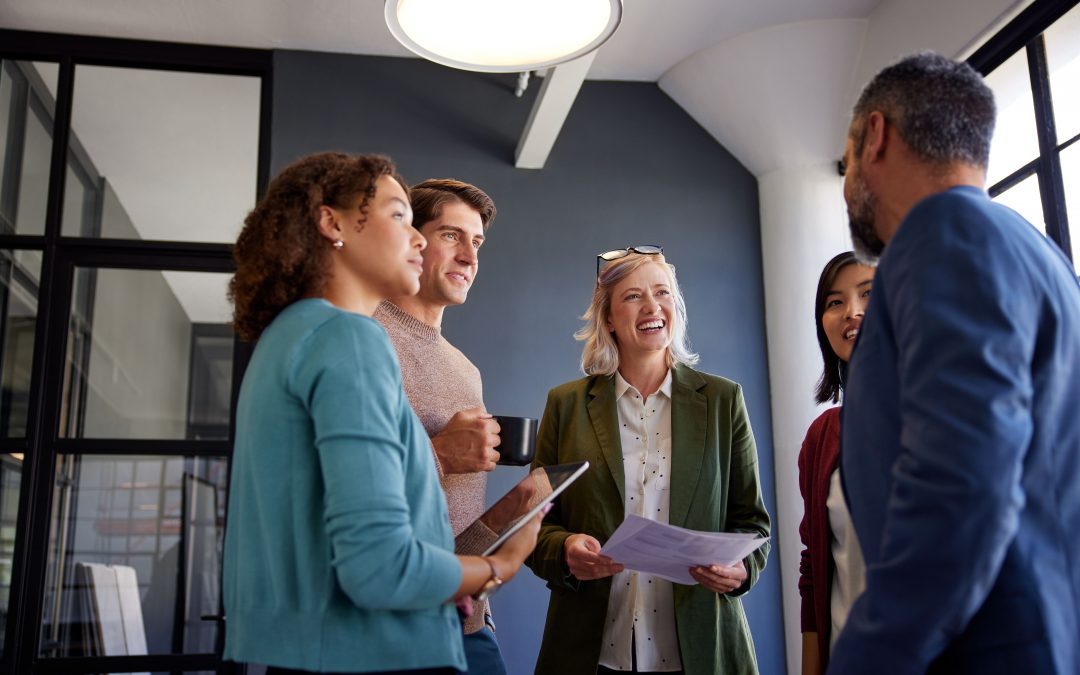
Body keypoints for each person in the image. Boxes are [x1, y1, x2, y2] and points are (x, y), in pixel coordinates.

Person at [222, 153, 540, 674]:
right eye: (400, 217)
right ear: (333, 223)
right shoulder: (350, 337)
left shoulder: (293, 334)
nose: (415, 238)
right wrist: (498, 567)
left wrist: (500, 523)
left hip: (313, 646)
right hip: (373, 647)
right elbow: (379, 568)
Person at [830, 52, 1080, 674]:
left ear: (876, 136)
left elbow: (962, 478)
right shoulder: (1039, 255)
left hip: (983, 649)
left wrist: (869, 656)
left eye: (846, 155)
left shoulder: (943, 233)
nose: (843, 181)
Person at [526, 247, 771, 675]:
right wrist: (564, 550)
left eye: (662, 293)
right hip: (591, 652)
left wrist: (741, 571)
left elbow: (753, 523)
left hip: (700, 650)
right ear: (608, 319)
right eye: (633, 296)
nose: (652, 306)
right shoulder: (565, 405)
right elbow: (532, 524)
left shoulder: (722, 400)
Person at [373, 178, 508, 674]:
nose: (470, 257)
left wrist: (505, 525)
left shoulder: (466, 370)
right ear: (411, 238)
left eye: (477, 243)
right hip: (387, 629)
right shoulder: (362, 339)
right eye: (452, 236)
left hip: (469, 624)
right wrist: (440, 455)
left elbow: (452, 513)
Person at [796, 251, 873, 674]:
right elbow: (814, 568)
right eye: (835, 302)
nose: (852, 312)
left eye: (868, 294)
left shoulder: (941, 416)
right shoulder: (822, 436)